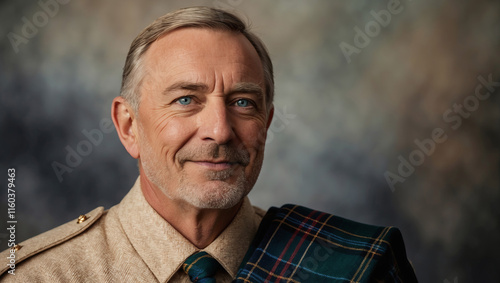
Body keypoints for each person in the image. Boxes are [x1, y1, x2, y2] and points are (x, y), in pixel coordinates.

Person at [0, 6, 418, 282]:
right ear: (129, 127)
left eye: (242, 102)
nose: (220, 130)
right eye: (186, 100)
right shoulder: (36, 276)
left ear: (267, 123)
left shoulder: (352, 265)